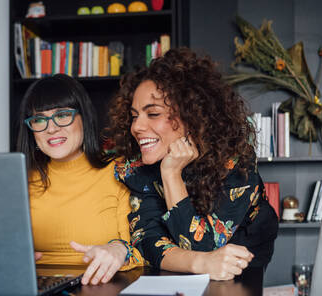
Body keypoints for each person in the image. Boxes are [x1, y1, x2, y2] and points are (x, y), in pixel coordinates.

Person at [106, 47, 278, 280]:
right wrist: (201, 263)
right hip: (181, 271)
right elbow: (147, 241)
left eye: (153, 114)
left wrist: (171, 174)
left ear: (192, 116)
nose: (136, 127)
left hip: (240, 272)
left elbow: (203, 244)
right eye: (135, 115)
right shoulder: (139, 170)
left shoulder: (235, 161)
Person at [17, 74, 142, 285]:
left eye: (63, 115)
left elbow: (143, 248)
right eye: (39, 119)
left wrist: (119, 249)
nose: (51, 128)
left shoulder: (119, 171)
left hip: (103, 287)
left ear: (84, 117)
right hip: (34, 291)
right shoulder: (19, 180)